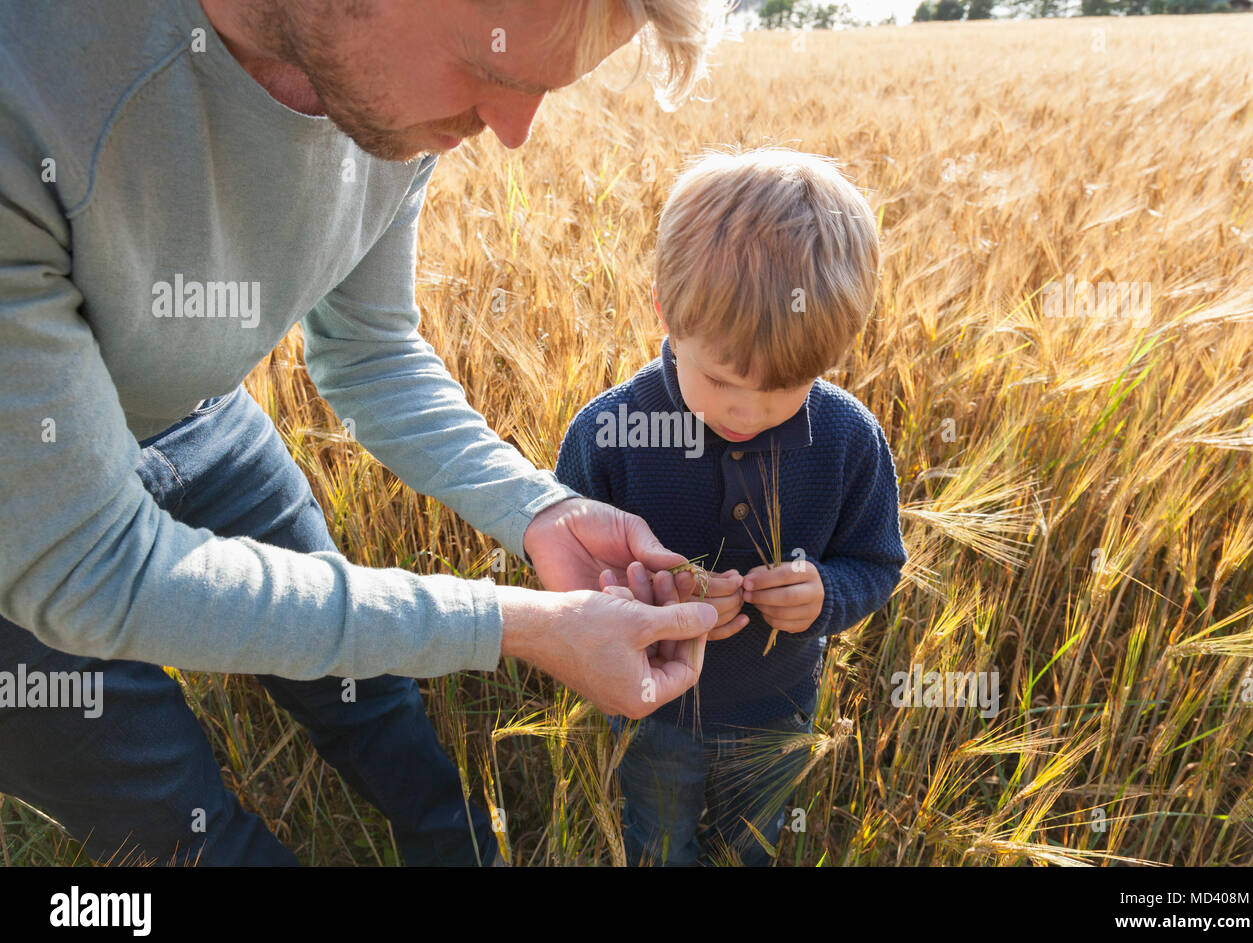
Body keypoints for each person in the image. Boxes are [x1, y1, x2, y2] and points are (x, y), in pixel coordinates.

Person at [0, 0, 731, 866]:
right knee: (184, 827)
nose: (513, 131)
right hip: (30, 532)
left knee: (370, 702)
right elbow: (86, 565)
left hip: (203, 422)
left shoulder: (391, 104)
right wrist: (519, 625)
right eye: (494, 72)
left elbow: (371, 353)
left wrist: (538, 512)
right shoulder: (30, 83)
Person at [555, 146, 909, 865]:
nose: (749, 409)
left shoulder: (848, 439)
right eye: (720, 379)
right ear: (666, 313)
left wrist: (825, 594)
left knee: (751, 848)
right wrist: (654, 604)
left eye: (786, 387)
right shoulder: (609, 432)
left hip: (778, 713)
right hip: (653, 710)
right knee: (657, 845)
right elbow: (571, 573)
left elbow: (877, 563)